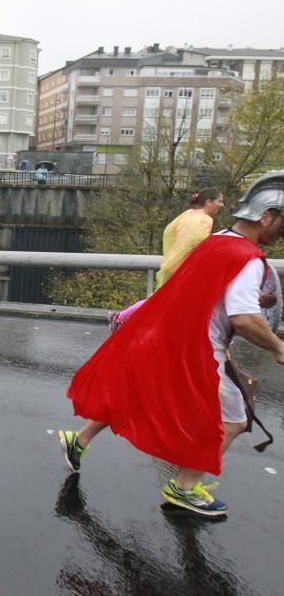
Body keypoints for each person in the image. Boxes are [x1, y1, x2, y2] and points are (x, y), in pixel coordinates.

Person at [59, 172, 284, 518]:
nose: (281, 231)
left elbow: (207, 291)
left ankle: (80, 440)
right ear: (265, 216)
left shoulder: (216, 240)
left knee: (134, 392)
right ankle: (184, 488)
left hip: (164, 335)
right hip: (196, 349)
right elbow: (244, 319)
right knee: (235, 419)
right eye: (280, 222)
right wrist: (276, 347)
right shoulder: (248, 259)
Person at [108, 188, 225, 331]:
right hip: (185, 268)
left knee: (165, 299)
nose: (221, 205)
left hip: (175, 265)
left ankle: (123, 318)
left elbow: (170, 232)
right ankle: (121, 318)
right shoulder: (205, 219)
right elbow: (199, 241)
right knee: (173, 300)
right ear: (209, 202)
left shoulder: (187, 214)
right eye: (219, 201)